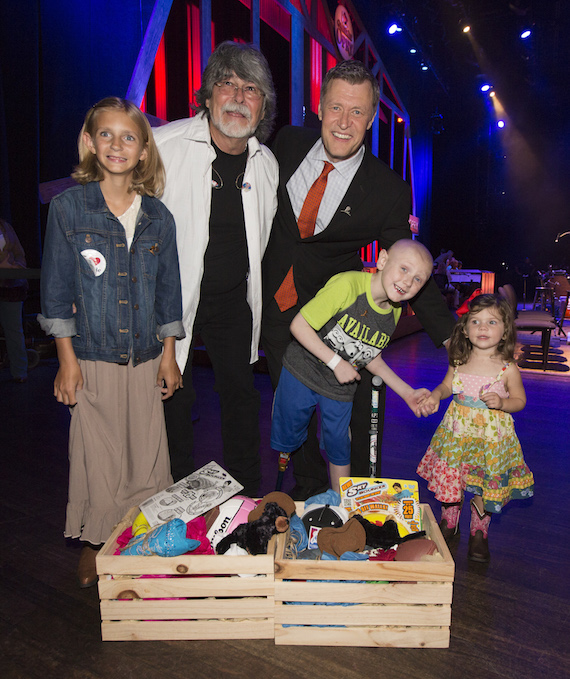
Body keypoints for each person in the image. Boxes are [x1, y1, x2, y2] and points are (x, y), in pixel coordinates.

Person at [262, 59, 455, 500]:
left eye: (357, 112)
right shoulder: (288, 142)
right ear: (320, 107)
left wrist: (450, 339)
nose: (344, 123)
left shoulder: (387, 189)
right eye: (336, 108)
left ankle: (351, 503)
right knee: (291, 410)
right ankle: (310, 500)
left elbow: (408, 265)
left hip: (334, 316)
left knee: (342, 421)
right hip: (275, 306)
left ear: (370, 119)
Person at [38, 97, 184, 587]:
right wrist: (67, 360)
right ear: (89, 141)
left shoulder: (159, 217)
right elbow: (56, 292)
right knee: (98, 457)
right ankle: (97, 542)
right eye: (106, 134)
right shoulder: (67, 209)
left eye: (129, 137)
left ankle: (142, 539)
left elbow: (169, 293)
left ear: (144, 149)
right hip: (92, 356)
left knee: (146, 452)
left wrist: (169, 356)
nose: (117, 145)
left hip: (146, 357)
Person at [153, 41, 278, 497]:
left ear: (263, 106)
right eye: (227, 84)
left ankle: (248, 501)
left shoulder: (266, 166)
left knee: (242, 398)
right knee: (173, 400)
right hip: (171, 302)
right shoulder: (162, 147)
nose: (238, 97)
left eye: (251, 89)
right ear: (207, 96)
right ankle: (175, 501)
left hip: (230, 299)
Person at [271, 240, 434, 492]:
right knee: (287, 440)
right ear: (381, 261)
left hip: (340, 387)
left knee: (339, 446)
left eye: (418, 279)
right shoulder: (348, 285)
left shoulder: (395, 312)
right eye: (404, 269)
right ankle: (281, 490)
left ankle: (341, 508)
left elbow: (370, 356)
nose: (407, 282)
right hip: (301, 373)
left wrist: (407, 393)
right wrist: (336, 362)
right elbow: (299, 326)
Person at [416, 294, 534, 563]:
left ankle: (479, 529)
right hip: (456, 432)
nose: (483, 327)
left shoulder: (508, 368)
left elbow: (520, 400)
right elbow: (447, 386)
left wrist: (503, 402)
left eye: (492, 322)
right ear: (465, 331)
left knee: (483, 481)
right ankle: (450, 518)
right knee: (452, 474)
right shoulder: (458, 360)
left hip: (490, 438)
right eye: (476, 321)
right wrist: (436, 394)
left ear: (505, 332)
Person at [0, 218, 29, 382]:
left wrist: (16, 267)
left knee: (14, 330)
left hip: (10, 285)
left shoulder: (6, 226)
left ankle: (19, 371)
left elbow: (19, 253)